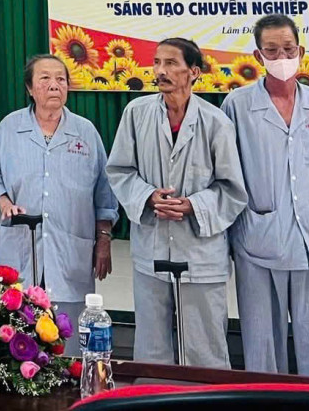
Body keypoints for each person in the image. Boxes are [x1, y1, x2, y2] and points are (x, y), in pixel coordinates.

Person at [106, 37, 247, 368]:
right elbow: (119, 170)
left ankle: (205, 395)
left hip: (201, 254)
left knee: (205, 348)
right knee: (151, 346)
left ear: (194, 72)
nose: (160, 71)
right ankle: (151, 394)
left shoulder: (216, 122)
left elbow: (232, 189)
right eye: (157, 62)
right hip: (152, 249)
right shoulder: (136, 113)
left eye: (171, 63)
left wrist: (193, 205)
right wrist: (147, 196)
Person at [223, 14, 309, 378]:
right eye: (272, 50)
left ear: (301, 52)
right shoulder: (237, 105)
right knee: (262, 344)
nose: (282, 58)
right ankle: (267, 400)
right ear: (258, 56)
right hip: (258, 240)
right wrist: (230, 237)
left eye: (289, 50)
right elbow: (228, 175)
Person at [0, 53, 116, 308]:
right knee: (17, 319)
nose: (54, 85)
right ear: (29, 88)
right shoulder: (9, 128)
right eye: (45, 78)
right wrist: (3, 203)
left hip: (70, 250)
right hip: (20, 243)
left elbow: (104, 191)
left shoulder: (85, 131)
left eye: (61, 79)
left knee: (67, 324)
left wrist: (103, 239)